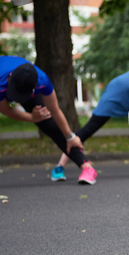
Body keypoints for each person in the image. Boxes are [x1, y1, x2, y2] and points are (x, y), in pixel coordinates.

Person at [0, 56, 97, 184]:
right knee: (39, 117)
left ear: (35, 86)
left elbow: (55, 111)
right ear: (11, 76)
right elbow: (6, 110)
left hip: (24, 84)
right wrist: (31, 118)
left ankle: (87, 168)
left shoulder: (42, 81)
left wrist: (70, 136)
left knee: (47, 121)